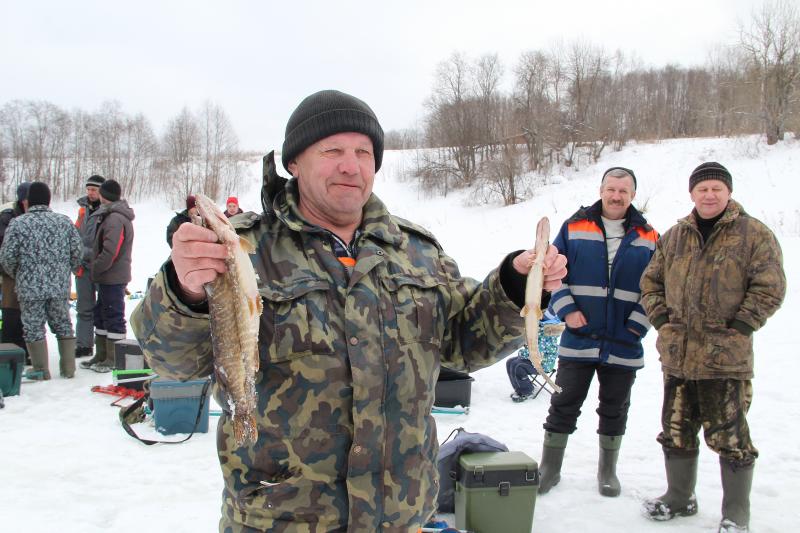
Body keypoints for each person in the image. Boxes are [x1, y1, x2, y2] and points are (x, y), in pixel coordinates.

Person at [131, 89, 567, 531]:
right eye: (332, 150)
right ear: (294, 163)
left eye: (363, 152)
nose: (351, 165)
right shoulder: (240, 250)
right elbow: (175, 363)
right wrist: (185, 291)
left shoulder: (416, 252)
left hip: (400, 518)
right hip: (279, 521)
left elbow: (463, 344)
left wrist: (515, 285)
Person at [641, 162, 785, 532]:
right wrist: (662, 324)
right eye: (702, 188)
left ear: (728, 193)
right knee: (675, 429)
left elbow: (770, 286)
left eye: (716, 189)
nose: (709, 195)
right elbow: (651, 283)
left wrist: (741, 326)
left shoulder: (753, 234)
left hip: (726, 358)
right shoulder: (674, 236)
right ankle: (679, 497)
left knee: (731, 437)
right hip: (678, 357)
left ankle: (736, 512)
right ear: (692, 194)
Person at [537, 167, 658, 497]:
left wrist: (637, 325)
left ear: (633, 195)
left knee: (615, 408)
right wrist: (567, 310)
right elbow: (551, 274)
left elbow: (657, 288)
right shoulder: (575, 227)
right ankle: (549, 468)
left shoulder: (649, 237)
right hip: (579, 337)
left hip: (623, 341)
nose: (616, 196)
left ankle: (608, 471)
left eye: (624, 191)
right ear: (601, 189)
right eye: (611, 189)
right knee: (563, 403)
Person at [0, 182, 82, 379]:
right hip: (59, 287)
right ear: (48, 200)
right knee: (63, 324)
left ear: (29, 201)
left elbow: (7, 257)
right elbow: (77, 253)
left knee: (33, 328)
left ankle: (41, 370)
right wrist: (64, 271)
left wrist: (18, 274)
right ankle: (68, 369)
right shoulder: (64, 222)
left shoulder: (18, 224)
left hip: (29, 288)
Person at [80, 179, 135, 373]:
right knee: (100, 314)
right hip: (106, 277)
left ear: (105, 196)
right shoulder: (110, 216)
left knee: (114, 316)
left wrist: (96, 268)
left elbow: (110, 251)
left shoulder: (115, 219)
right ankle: (102, 354)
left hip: (112, 276)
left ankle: (113, 358)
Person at [74, 174, 106, 358]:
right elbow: (75, 234)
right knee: (83, 308)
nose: (90, 193)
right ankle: (84, 345)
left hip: (101, 266)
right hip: (82, 267)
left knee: (103, 308)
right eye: (88, 189)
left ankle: (106, 347)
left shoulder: (108, 211)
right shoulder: (82, 210)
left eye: (94, 189)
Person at [0, 182, 31, 362]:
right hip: (9, 273)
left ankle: (26, 351)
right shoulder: (7, 217)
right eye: (26, 200)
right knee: (11, 313)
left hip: (30, 274)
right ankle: (8, 352)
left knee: (28, 315)